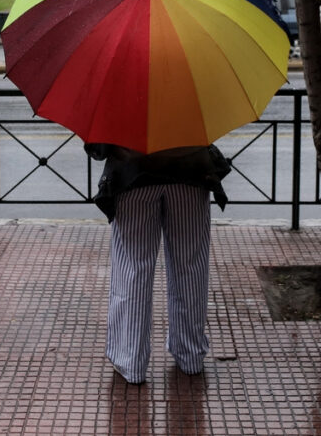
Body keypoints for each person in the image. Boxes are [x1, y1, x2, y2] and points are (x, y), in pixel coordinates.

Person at [85, 142, 231, 385]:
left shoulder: (121, 101)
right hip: (190, 172)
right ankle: (190, 355)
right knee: (190, 266)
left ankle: (130, 360)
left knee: (133, 268)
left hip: (133, 175)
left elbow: (98, 149)